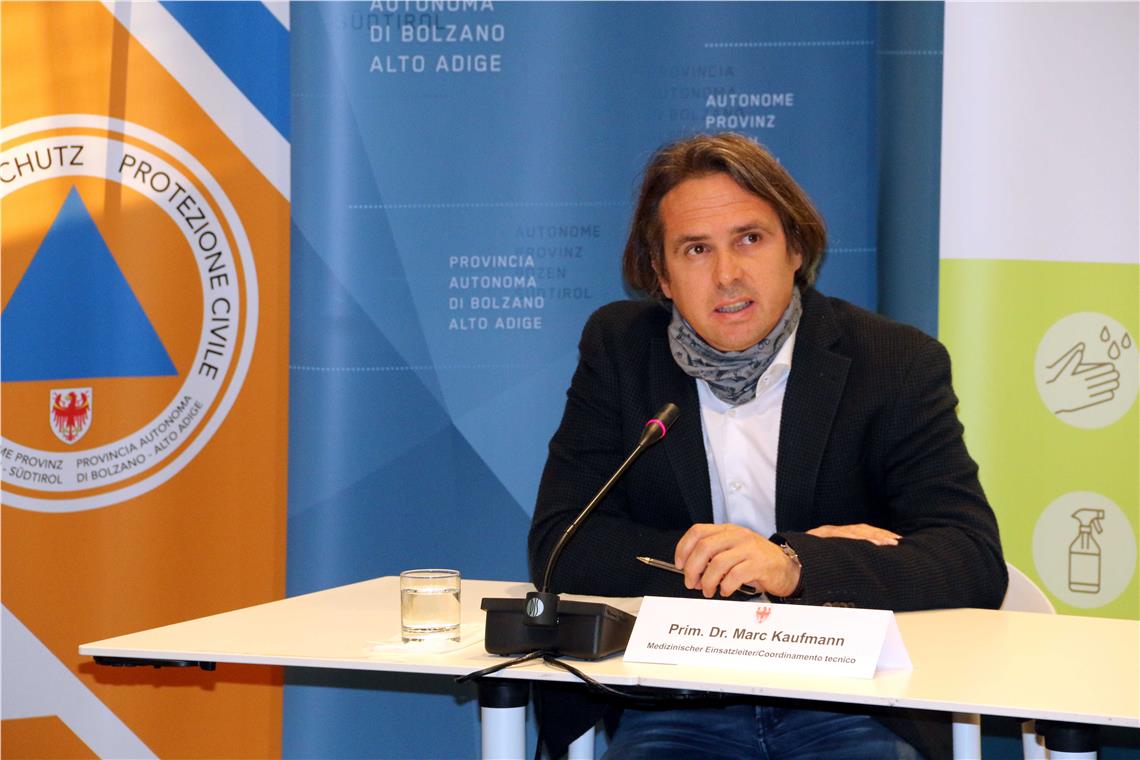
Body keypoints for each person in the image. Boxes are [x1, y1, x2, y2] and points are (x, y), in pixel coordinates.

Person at [527, 133, 1007, 759]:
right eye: (696, 249)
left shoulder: (893, 362)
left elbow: (971, 558)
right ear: (661, 275)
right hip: (679, 696)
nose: (727, 275)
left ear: (796, 248)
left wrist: (795, 563)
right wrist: (742, 568)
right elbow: (563, 544)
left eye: (750, 239)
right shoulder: (621, 352)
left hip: (850, 698)